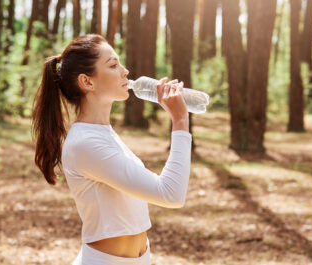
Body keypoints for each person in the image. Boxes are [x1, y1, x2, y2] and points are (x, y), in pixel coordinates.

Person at [31, 34, 192, 265]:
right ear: (87, 82)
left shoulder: (102, 134)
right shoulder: (85, 143)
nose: (125, 71)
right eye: (113, 65)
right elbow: (170, 194)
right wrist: (180, 121)